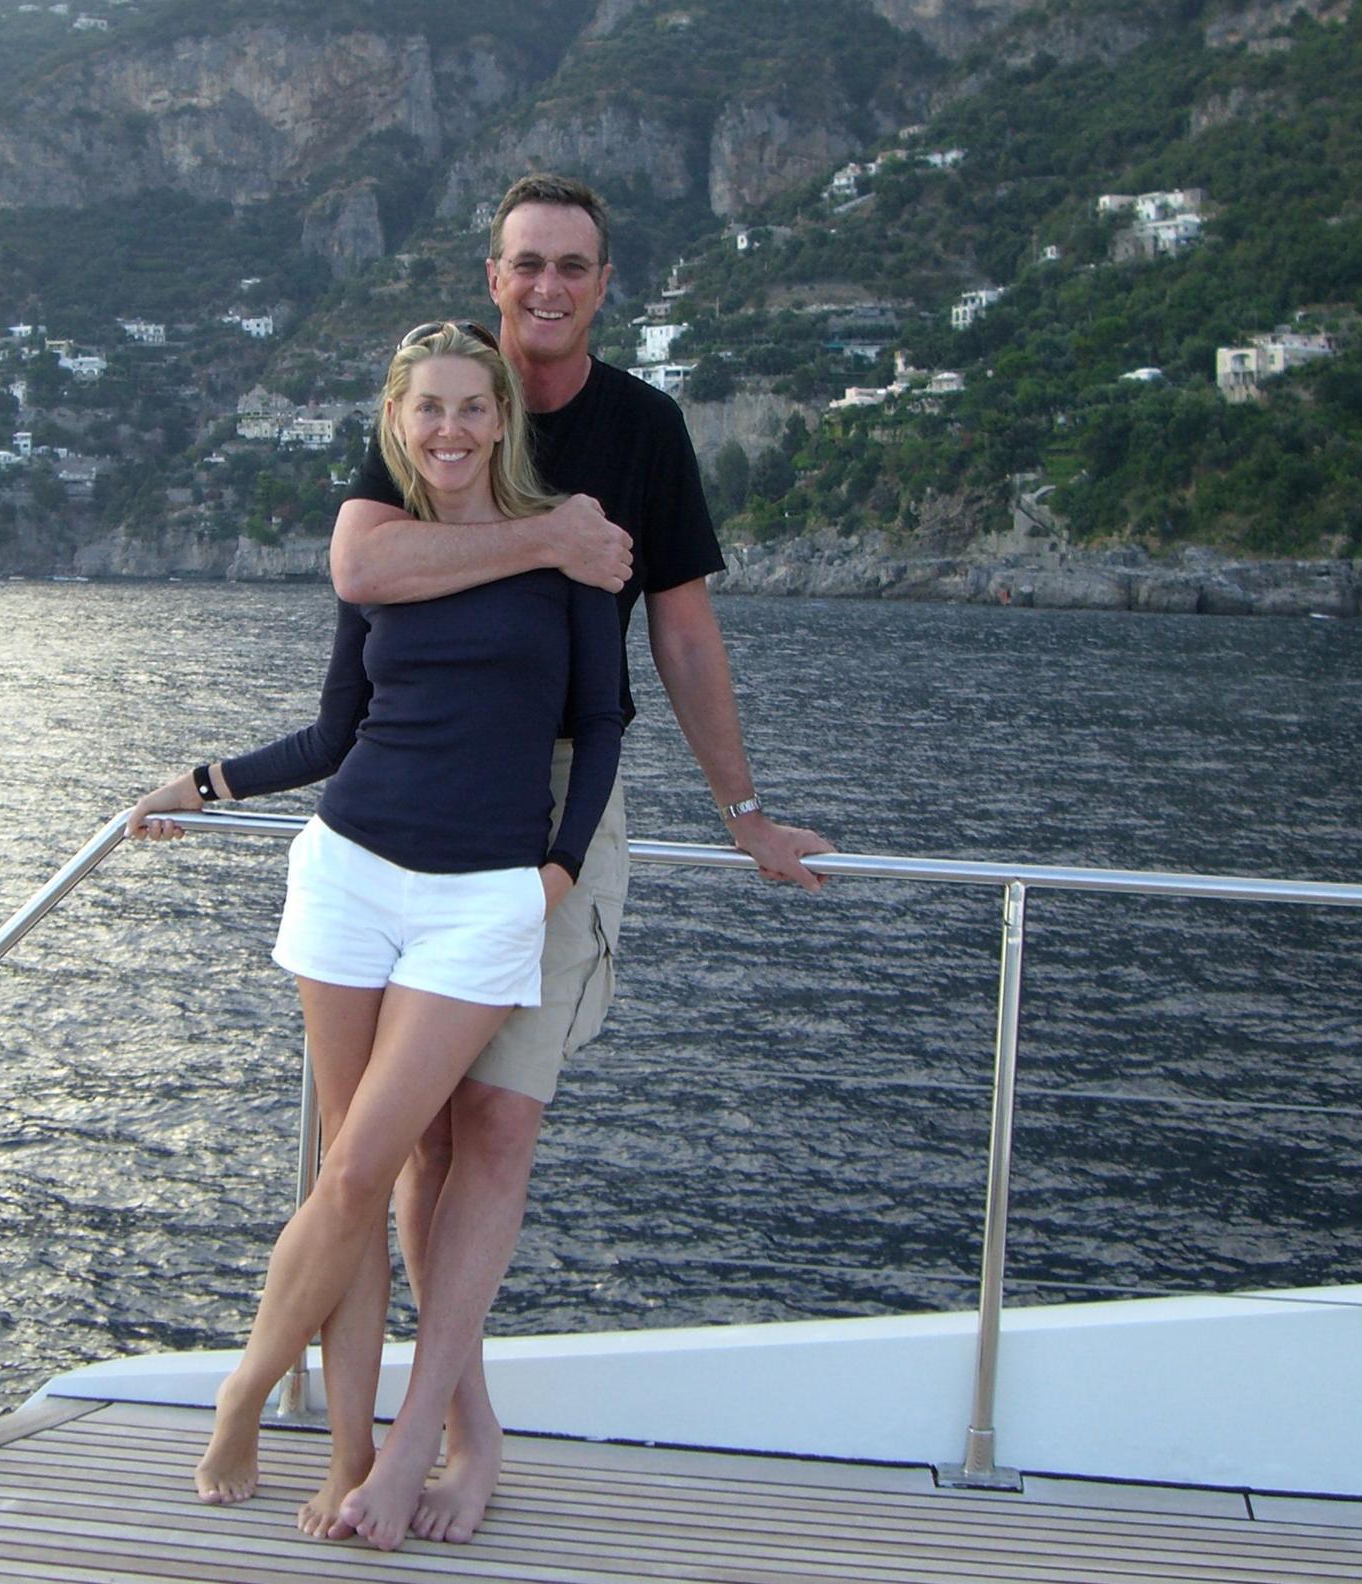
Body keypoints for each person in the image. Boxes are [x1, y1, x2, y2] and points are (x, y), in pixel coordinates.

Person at [324, 172, 833, 1550]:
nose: (546, 286)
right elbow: (363, 571)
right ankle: (464, 1428)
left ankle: (427, 1434)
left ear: (606, 286)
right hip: (421, 803)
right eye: (525, 263)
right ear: (492, 276)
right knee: (416, 1137)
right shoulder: (439, 407)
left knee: (497, 1120)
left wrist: (744, 812)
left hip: (553, 813)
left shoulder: (644, 428)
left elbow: (680, 635)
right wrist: (548, 535)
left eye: (572, 267)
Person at [127, 322, 623, 1542]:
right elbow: (335, 734)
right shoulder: (383, 552)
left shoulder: (567, 554)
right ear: (396, 424)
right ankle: (348, 1452)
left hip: (479, 901)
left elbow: (603, 723)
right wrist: (200, 783)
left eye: (470, 407)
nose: (448, 429)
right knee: (351, 1176)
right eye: (426, 411)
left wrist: (558, 867)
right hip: (349, 871)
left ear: (501, 416)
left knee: (358, 1170)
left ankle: (240, 1391)